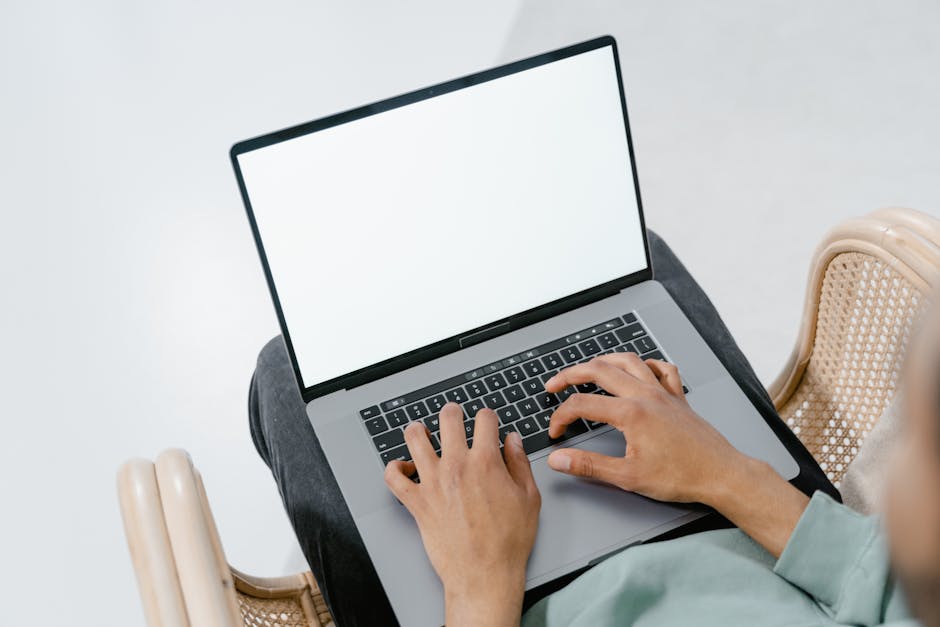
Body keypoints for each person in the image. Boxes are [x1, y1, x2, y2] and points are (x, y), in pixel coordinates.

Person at [249, 232, 930, 626]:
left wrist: (480, 580)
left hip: (503, 601)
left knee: (284, 372)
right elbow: (891, 586)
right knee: (628, 266)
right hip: (762, 537)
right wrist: (719, 470)